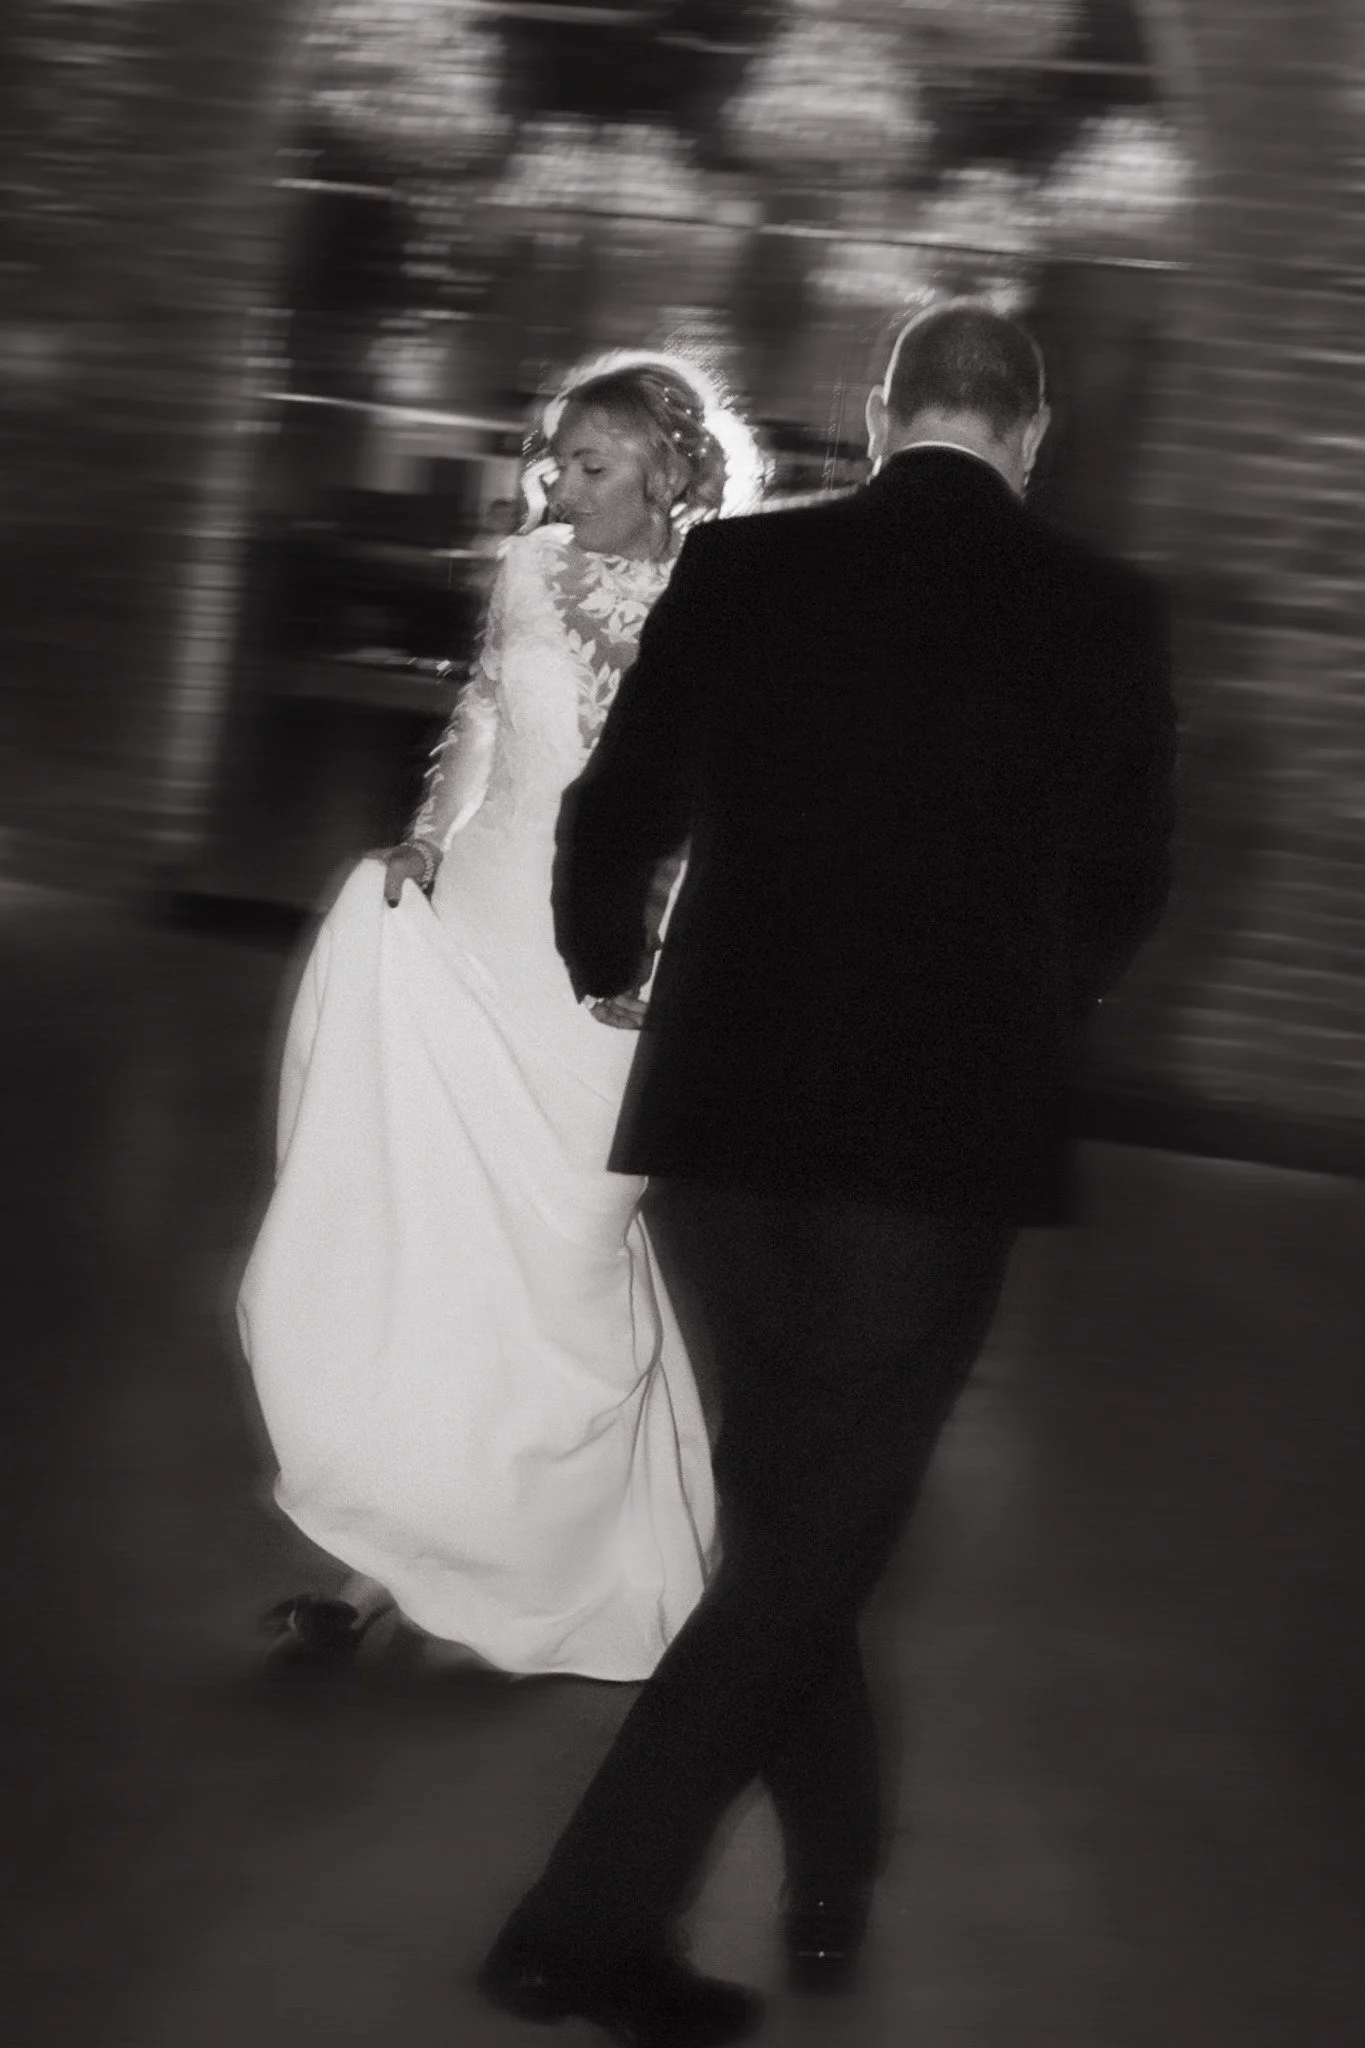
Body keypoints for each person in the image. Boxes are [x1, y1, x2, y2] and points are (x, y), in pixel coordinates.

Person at [477, 302, 1177, 2044]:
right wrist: (1033, 1004)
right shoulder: (1104, 611)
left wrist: (603, 966)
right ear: (1031, 432)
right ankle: (580, 1927)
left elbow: (618, 811)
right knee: (815, 1536)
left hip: (720, 1115)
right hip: (934, 1140)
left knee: (798, 1513)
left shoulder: (747, 567)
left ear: (881, 414)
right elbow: (1129, 881)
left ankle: (832, 1869)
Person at [237, 352, 763, 1682]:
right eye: (553, 461)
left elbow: (737, 802)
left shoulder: (733, 600)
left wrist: (679, 954)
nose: (557, 487)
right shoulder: (528, 569)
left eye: (589, 464)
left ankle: (549, 1555)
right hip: (480, 927)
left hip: (615, 981)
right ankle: (388, 1562)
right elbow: (482, 706)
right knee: (446, 1247)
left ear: (664, 468)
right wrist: (427, 834)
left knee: (568, 1259)